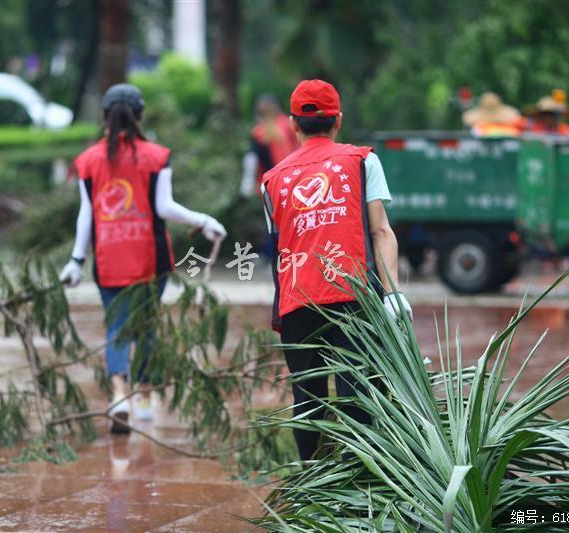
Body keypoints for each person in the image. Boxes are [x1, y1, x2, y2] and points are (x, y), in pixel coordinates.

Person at [59, 84, 226, 433]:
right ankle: (146, 396)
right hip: (151, 257)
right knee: (146, 325)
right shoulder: (156, 155)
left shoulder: (88, 161)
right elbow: (164, 207)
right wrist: (204, 221)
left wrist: (76, 259)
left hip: (108, 258)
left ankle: (120, 395)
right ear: (140, 116)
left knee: (117, 326)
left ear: (105, 116)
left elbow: (86, 215)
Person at [260, 79, 412, 461]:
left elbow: (282, 246)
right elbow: (380, 231)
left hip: (297, 303)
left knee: (307, 399)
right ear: (338, 120)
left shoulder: (271, 181)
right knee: (357, 394)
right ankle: (359, 483)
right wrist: (393, 294)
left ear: (293, 125)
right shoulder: (362, 161)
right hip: (353, 296)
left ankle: (312, 483)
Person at [239, 94, 300, 198]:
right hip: (269, 175)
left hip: (287, 169)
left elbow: (294, 145)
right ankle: (249, 181)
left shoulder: (287, 124)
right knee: (251, 158)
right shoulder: (258, 130)